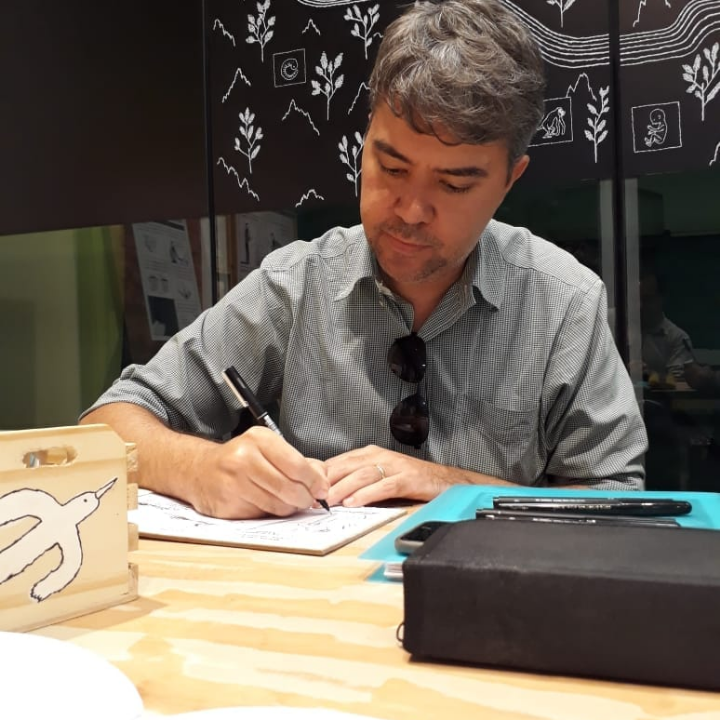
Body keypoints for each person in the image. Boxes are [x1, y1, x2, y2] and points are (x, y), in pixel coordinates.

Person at [81, 0, 647, 519]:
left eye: (454, 185)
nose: (411, 210)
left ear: (509, 180)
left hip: (493, 592)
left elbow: (620, 505)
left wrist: (453, 486)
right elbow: (109, 422)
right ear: (365, 141)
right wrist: (201, 468)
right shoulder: (294, 286)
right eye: (391, 168)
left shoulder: (563, 304)